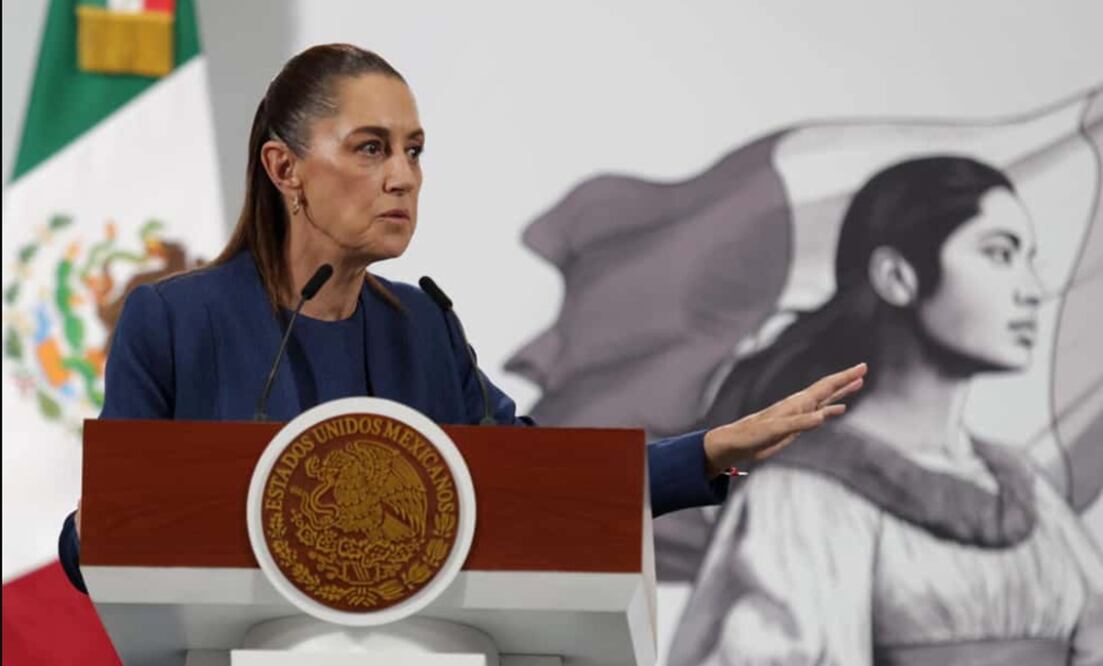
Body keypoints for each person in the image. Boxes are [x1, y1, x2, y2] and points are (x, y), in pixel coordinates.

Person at [58, 44, 866, 594]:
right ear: (284, 168)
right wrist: (93, 531)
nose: (403, 177)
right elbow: (105, 539)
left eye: (413, 150)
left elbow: (540, 484)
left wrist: (711, 450)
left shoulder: (422, 326)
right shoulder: (174, 321)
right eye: (370, 148)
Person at [668, 157, 1103, 665]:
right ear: (897, 277)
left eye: (1029, 259)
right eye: (999, 254)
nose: (1032, 290)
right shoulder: (804, 497)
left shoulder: (1027, 492)